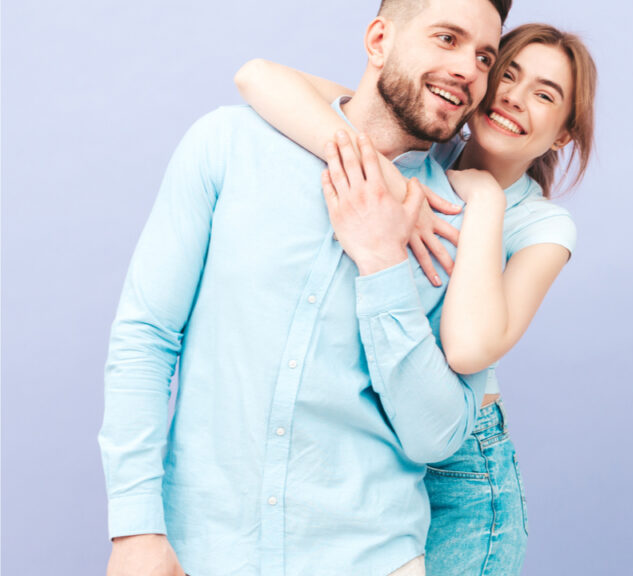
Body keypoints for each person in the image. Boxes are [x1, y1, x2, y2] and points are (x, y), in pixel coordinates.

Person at [98, 1, 510, 575]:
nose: (468, 68)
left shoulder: (462, 226)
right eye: (447, 39)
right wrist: (135, 527)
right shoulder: (228, 143)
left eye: (484, 55)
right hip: (200, 554)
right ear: (378, 40)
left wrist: (383, 263)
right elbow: (146, 336)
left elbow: (438, 437)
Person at [235, 22, 597, 575]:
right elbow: (257, 76)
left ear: (563, 134)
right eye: (506, 74)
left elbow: (469, 349)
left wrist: (483, 204)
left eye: (544, 95)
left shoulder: (544, 227)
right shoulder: (416, 140)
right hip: (368, 438)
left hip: (461, 475)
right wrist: (383, 171)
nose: (514, 98)